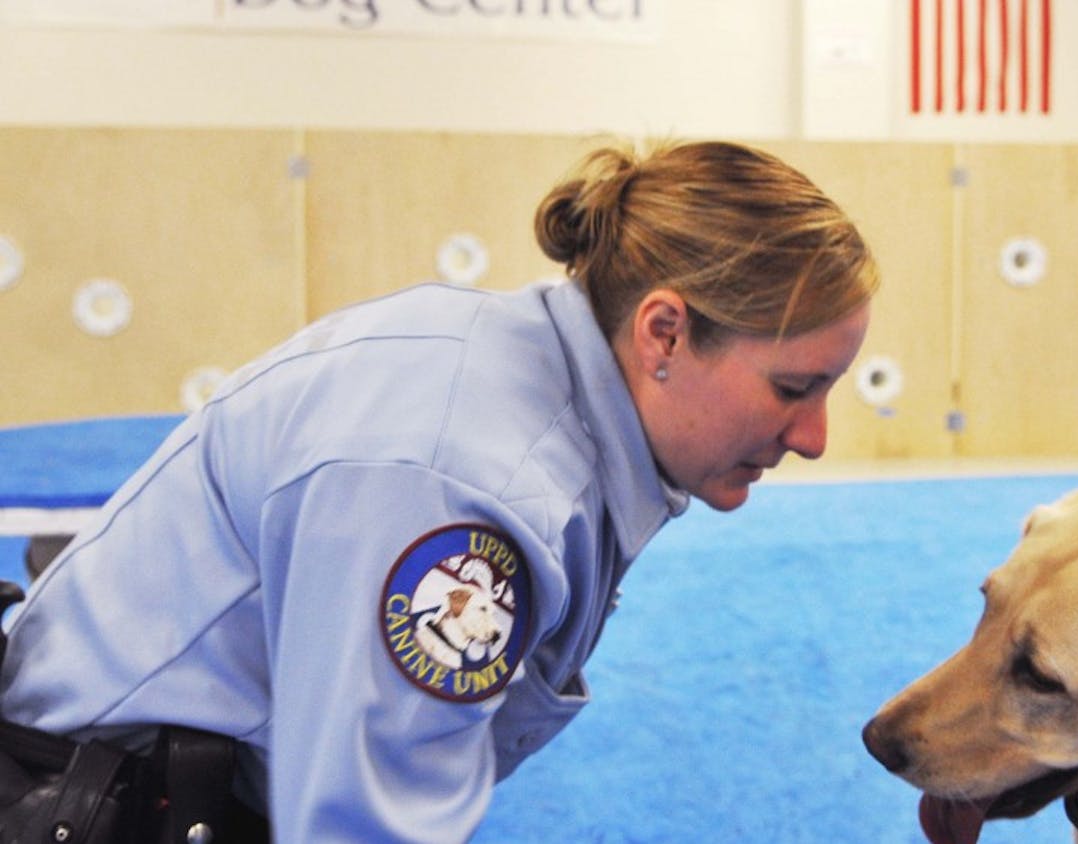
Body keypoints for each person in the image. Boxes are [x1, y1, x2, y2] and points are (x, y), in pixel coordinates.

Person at [0, 139, 878, 840]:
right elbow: (359, 830)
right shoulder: (465, 489)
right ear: (664, 333)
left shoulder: (523, 380)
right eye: (793, 389)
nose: (814, 438)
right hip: (87, 804)